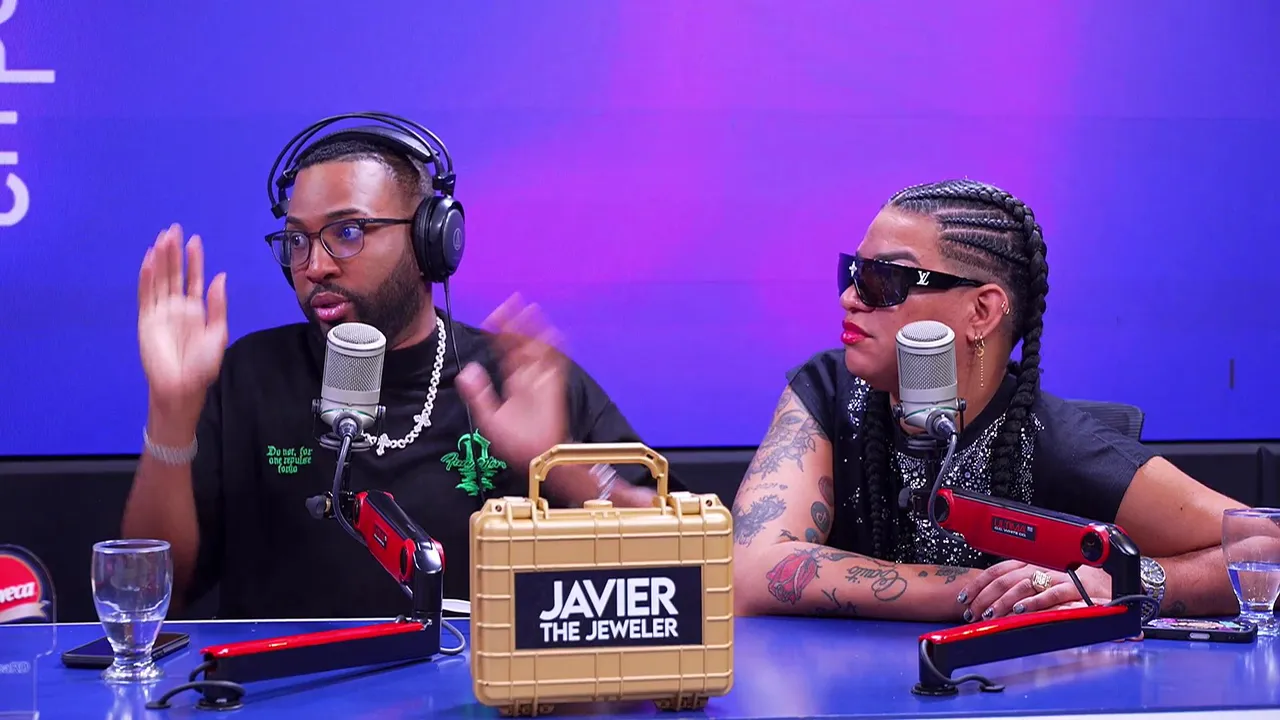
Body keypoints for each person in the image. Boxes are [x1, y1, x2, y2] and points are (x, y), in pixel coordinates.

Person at [121, 115, 678, 620]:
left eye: (347, 232)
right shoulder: (249, 376)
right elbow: (150, 593)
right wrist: (170, 412)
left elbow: (681, 565)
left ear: (429, 240)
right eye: (297, 240)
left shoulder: (518, 380)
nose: (313, 266)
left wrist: (560, 469)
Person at [731, 179, 1242, 624]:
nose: (850, 297)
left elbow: (1263, 548)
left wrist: (1129, 582)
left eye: (884, 280)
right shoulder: (826, 389)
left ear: (982, 311)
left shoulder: (1055, 442)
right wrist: (994, 590)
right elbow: (750, 573)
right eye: (853, 272)